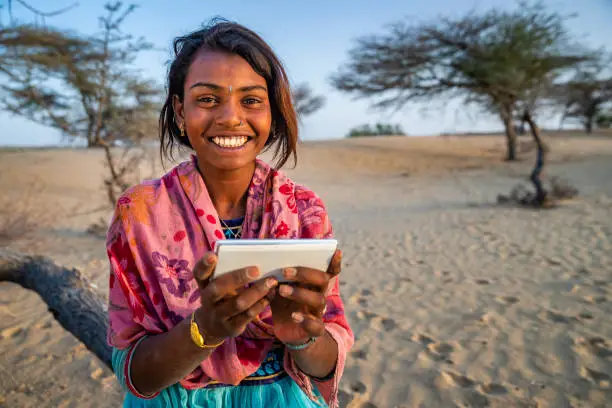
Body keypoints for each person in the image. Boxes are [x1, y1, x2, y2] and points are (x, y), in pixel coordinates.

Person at [105, 19, 354, 408]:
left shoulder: (305, 211)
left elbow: (323, 365)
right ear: (180, 111)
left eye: (251, 100)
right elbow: (135, 373)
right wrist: (202, 332)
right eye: (207, 99)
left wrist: (300, 334)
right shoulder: (138, 214)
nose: (230, 117)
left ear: (272, 112)